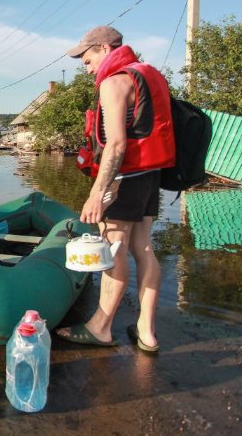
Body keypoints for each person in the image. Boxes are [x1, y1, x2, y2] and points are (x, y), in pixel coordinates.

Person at [56, 26, 175, 353]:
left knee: (114, 247)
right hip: (152, 175)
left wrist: (98, 191)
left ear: (106, 48)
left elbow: (117, 145)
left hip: (124, 179)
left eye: (87, 56)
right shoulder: (149, 75)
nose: (85, 64)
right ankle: (147, 333)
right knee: (143, 247)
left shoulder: (114, 83)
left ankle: (101, 328)